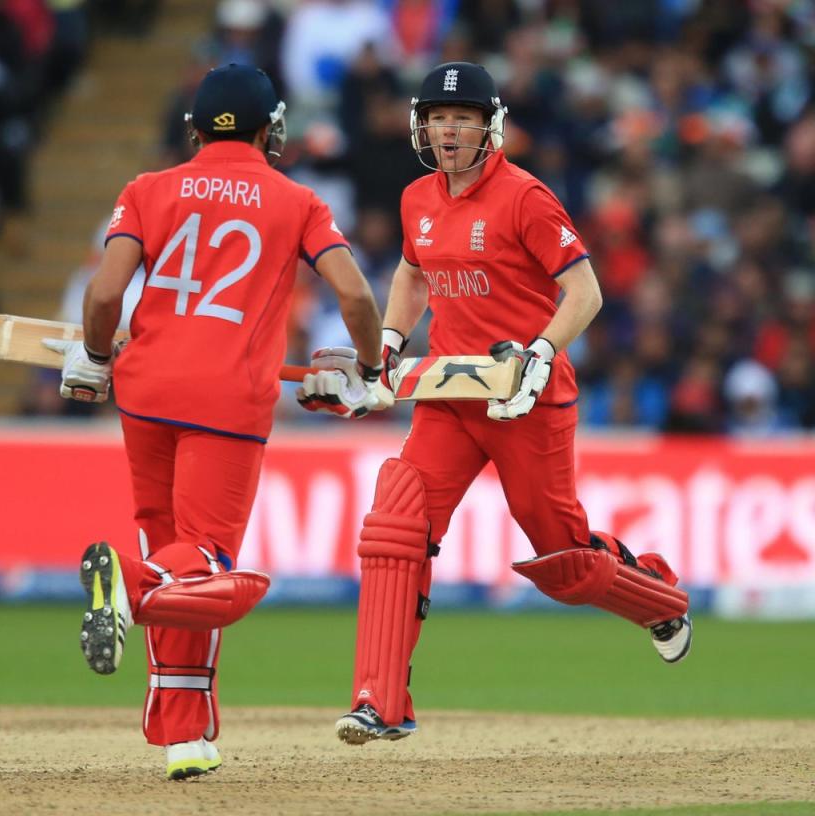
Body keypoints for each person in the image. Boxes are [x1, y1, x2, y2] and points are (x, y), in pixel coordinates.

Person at [297, 62, 693, 745]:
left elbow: (585, 293)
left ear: (490, 126)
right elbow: (413, 273)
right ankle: (380, 700)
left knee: (564, 561)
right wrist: (388, 344)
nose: (448, 132)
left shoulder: (525, 198)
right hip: (452, 393)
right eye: (438, 119)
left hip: (525, 400)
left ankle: (659, 598)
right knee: (396, 522)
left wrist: (540, 354)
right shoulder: (418, 198)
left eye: (463, 119)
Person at [46, 63, 383, 778]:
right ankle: (127, 586)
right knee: (206, 564)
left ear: (195, 127)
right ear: (271, 129)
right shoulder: (297, 200)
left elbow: (106, 293)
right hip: (227, 401)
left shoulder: (146, 190)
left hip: (145, 393)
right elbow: (354, 295)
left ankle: (185, 736)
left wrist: (97, 357)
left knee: (181, 562)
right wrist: (369, 368)